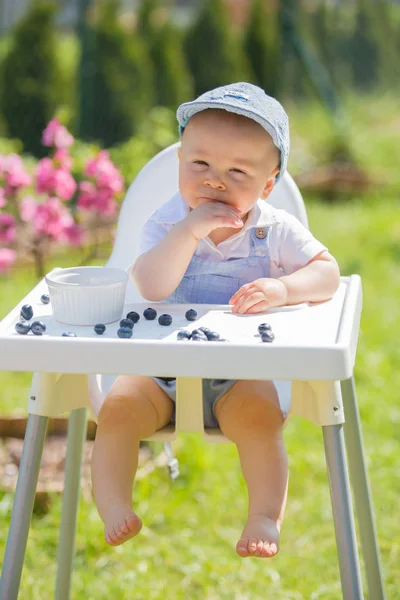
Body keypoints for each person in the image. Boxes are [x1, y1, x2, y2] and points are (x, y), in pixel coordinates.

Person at [91, 82, 340, 558]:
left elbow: (327, 274)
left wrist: (285, 288)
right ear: (181, 161)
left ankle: (264, 513)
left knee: (260, 419)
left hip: (238, 376)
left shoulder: (274, 229)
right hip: (159, 370)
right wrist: (188, 231)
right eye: (200, 165)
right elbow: (152, 286)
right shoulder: (167, 223)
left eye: (238, 171)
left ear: (268, 186)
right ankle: (114, 504)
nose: (214, 181)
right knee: (117, 411)